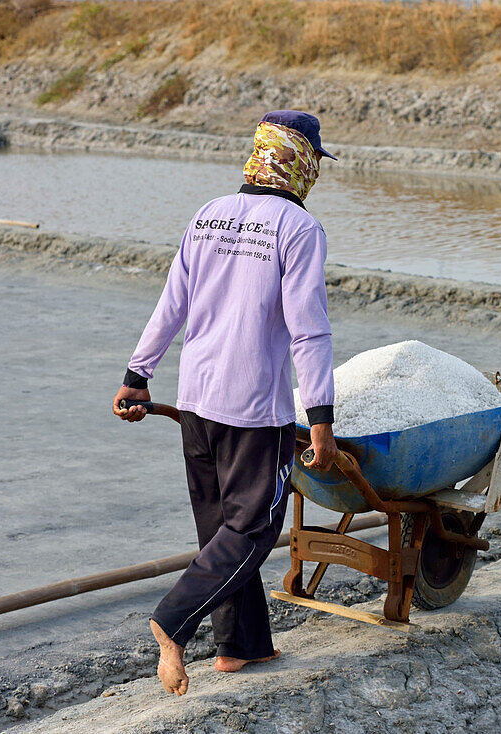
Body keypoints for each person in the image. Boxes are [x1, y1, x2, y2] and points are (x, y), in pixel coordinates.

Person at [112, 110, 340, 696]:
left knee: (218, 528)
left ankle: (241, 648)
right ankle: (172, 621)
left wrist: (139, 375)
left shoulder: (208, 215)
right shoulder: (297, 228)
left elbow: (172, 303)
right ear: (302, 163)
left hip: (197, 400)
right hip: (253, 408)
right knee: (253, 528)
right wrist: (321, 420)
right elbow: (308, 332)